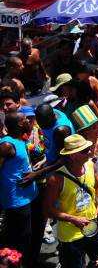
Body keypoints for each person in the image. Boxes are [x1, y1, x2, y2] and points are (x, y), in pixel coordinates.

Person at [44, 134, 98, 268]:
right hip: (71, 236)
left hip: (94, 227)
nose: (90, 151)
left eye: (89, 148)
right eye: (85, 150)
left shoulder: (90, 165)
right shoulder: (56, 179)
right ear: (72, 155)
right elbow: (48, 210)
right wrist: (73, 219)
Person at [0, 112, 44, 267]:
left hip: (30, 195)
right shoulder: (6, 145)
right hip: (16, 201)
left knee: (29, 237)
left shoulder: (21, 140)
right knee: (18, 241)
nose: (29, 121)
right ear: (19, 124)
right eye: (25, 119)